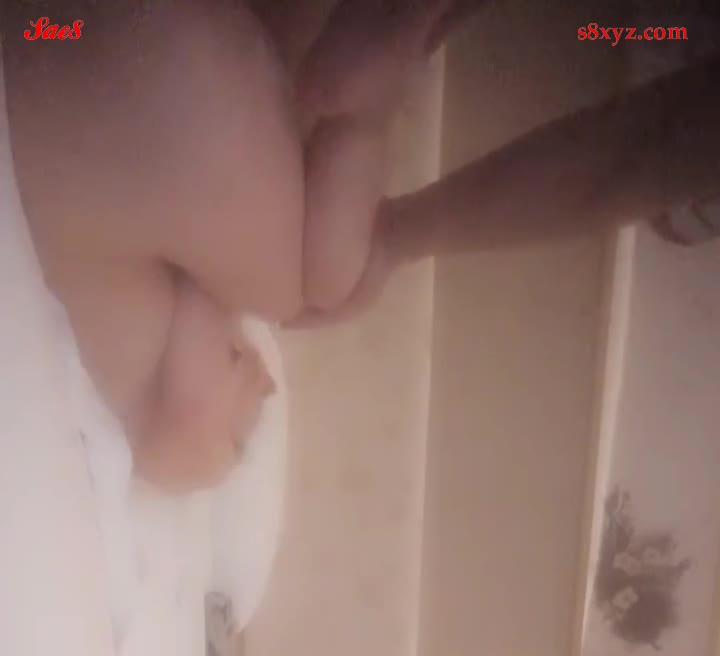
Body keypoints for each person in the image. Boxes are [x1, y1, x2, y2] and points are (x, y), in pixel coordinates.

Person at [2, 1, 719, 489]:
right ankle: (362, 119)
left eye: (240, 439)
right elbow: (177, 449)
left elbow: (651, 155)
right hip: (125, 65)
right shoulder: (123, 404)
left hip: (72, 35)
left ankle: (371, 72)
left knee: (314, 255)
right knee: (307, 284)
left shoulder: (122, 356)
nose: (266, 380)